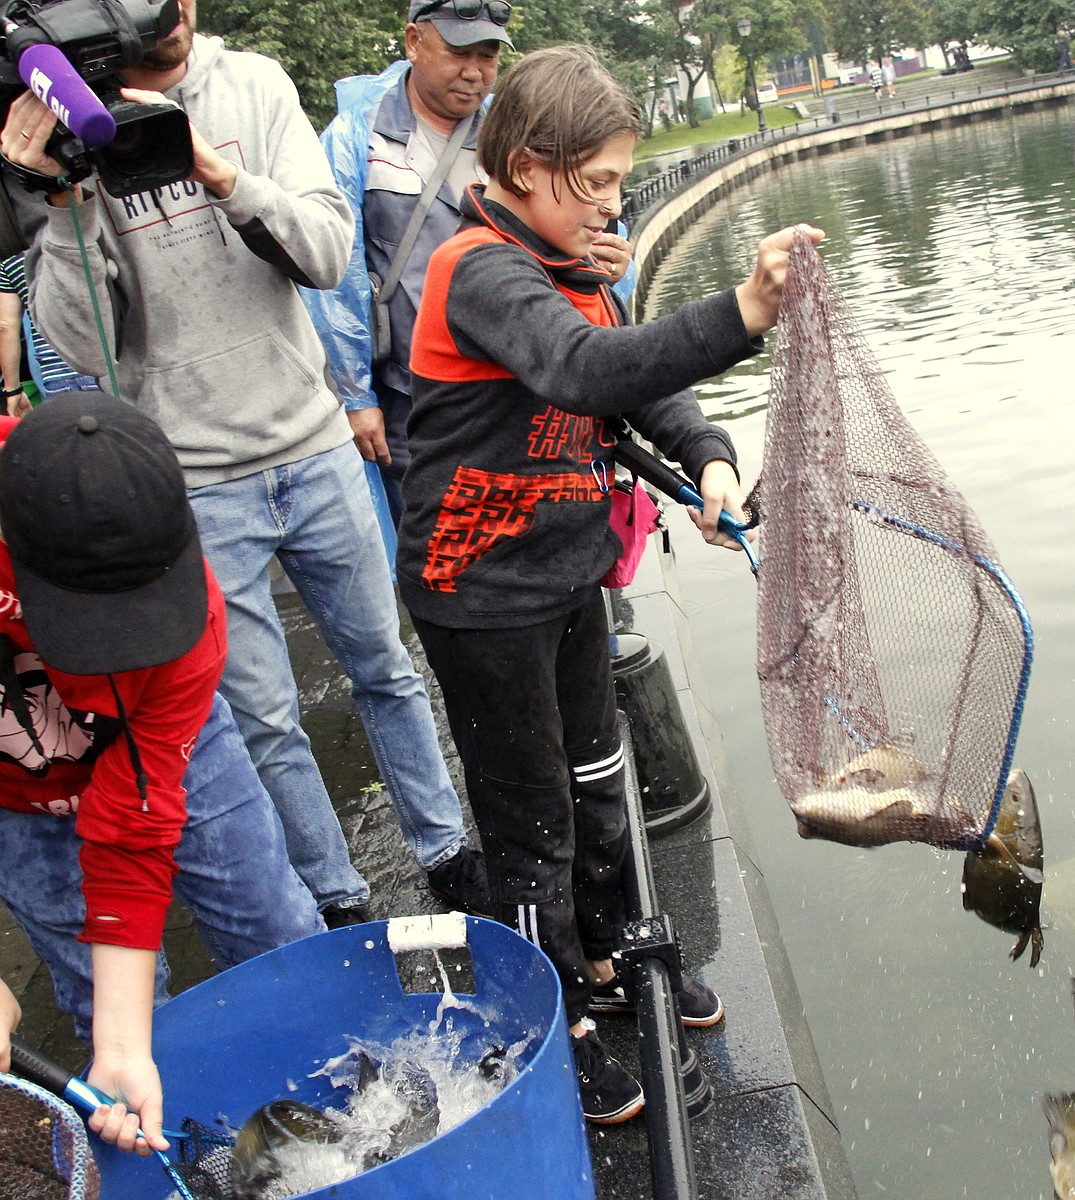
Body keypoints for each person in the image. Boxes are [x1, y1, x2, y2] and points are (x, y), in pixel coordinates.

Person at [396, 44, 823, 1124]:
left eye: (620, 183)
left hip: (568, 572)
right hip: (479, 592)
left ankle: (611, 953)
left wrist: (712, 457)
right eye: (595, 184)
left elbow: (632, 382)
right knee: (528, 813)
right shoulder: (480, 272)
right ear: (528, 169)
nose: (613, 205)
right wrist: (743, 311)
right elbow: (581, 373)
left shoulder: (574, 267)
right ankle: (548, 1016)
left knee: (597, 777)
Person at [0, 0, 490, 925]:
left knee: (384, 665)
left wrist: (222, 176)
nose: (173, 14)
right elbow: (77, 336)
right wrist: (60, 206)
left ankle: (447, 854)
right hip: (192, 475)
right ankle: (337, 900)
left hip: (310, 441)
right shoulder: (77, 118)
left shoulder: (256, 86)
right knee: (264, 719)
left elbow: (327, 249)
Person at [0, 393, 324, 1154]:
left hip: (160, 742)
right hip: (16, 795)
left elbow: (133, 825)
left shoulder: (192, 620)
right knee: (96, 982)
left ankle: (324, 1112)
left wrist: (122, 1044)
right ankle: (192, 1147)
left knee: (272, 922)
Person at [308, 0, 632, 528]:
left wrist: (615, 266)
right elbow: (335, 274)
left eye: (488, 56)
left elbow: (596, 224)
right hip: (411, 395)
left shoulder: (523, 132)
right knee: (441, 530)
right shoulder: (356, 140)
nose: (474, 72)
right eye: (460, 52)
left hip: (528, 386)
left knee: (542, 527)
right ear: (414, 42)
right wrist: (354, 393)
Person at [0, 253, 100, 416]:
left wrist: (12, 389)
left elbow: (6, 327)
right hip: (104, 366)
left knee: (76, 439)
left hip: (56, 376)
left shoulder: (12, 265)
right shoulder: (87, 247)